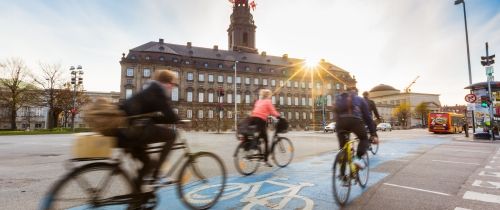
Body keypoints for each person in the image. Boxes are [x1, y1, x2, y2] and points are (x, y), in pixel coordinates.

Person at [118, 69, 180, 190]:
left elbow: (152, 117)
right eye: (173, 84)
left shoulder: (149, 88)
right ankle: (157, 176)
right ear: (167, 83)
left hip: (126, 131)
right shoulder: (158, 91)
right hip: (135, 131)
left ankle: (136, 199)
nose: (173, 88)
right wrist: (178, 119)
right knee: (172, 135)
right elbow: (170, 116)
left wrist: (164, 119)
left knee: (148, 164)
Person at [334, 87, 378, 169]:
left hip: (340, 123)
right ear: (356, 92)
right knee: (363, 138)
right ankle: (358, 158)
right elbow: (368, 117)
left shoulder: (339, 98)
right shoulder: (360, 99)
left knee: (343, 148)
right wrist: (373, 133)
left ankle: (343, 172)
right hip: (355, 121)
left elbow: (335, 112)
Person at [249, 89, 280, 167]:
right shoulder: (268, 101)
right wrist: (279, 116)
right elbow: (273, 111)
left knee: (259, 136)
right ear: (268, 95)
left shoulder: (258, 101)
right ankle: (265, 160)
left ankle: (254, 146)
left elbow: (256, 110)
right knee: (266, 140)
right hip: (260, 120)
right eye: (270, 95)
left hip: (253, 118)